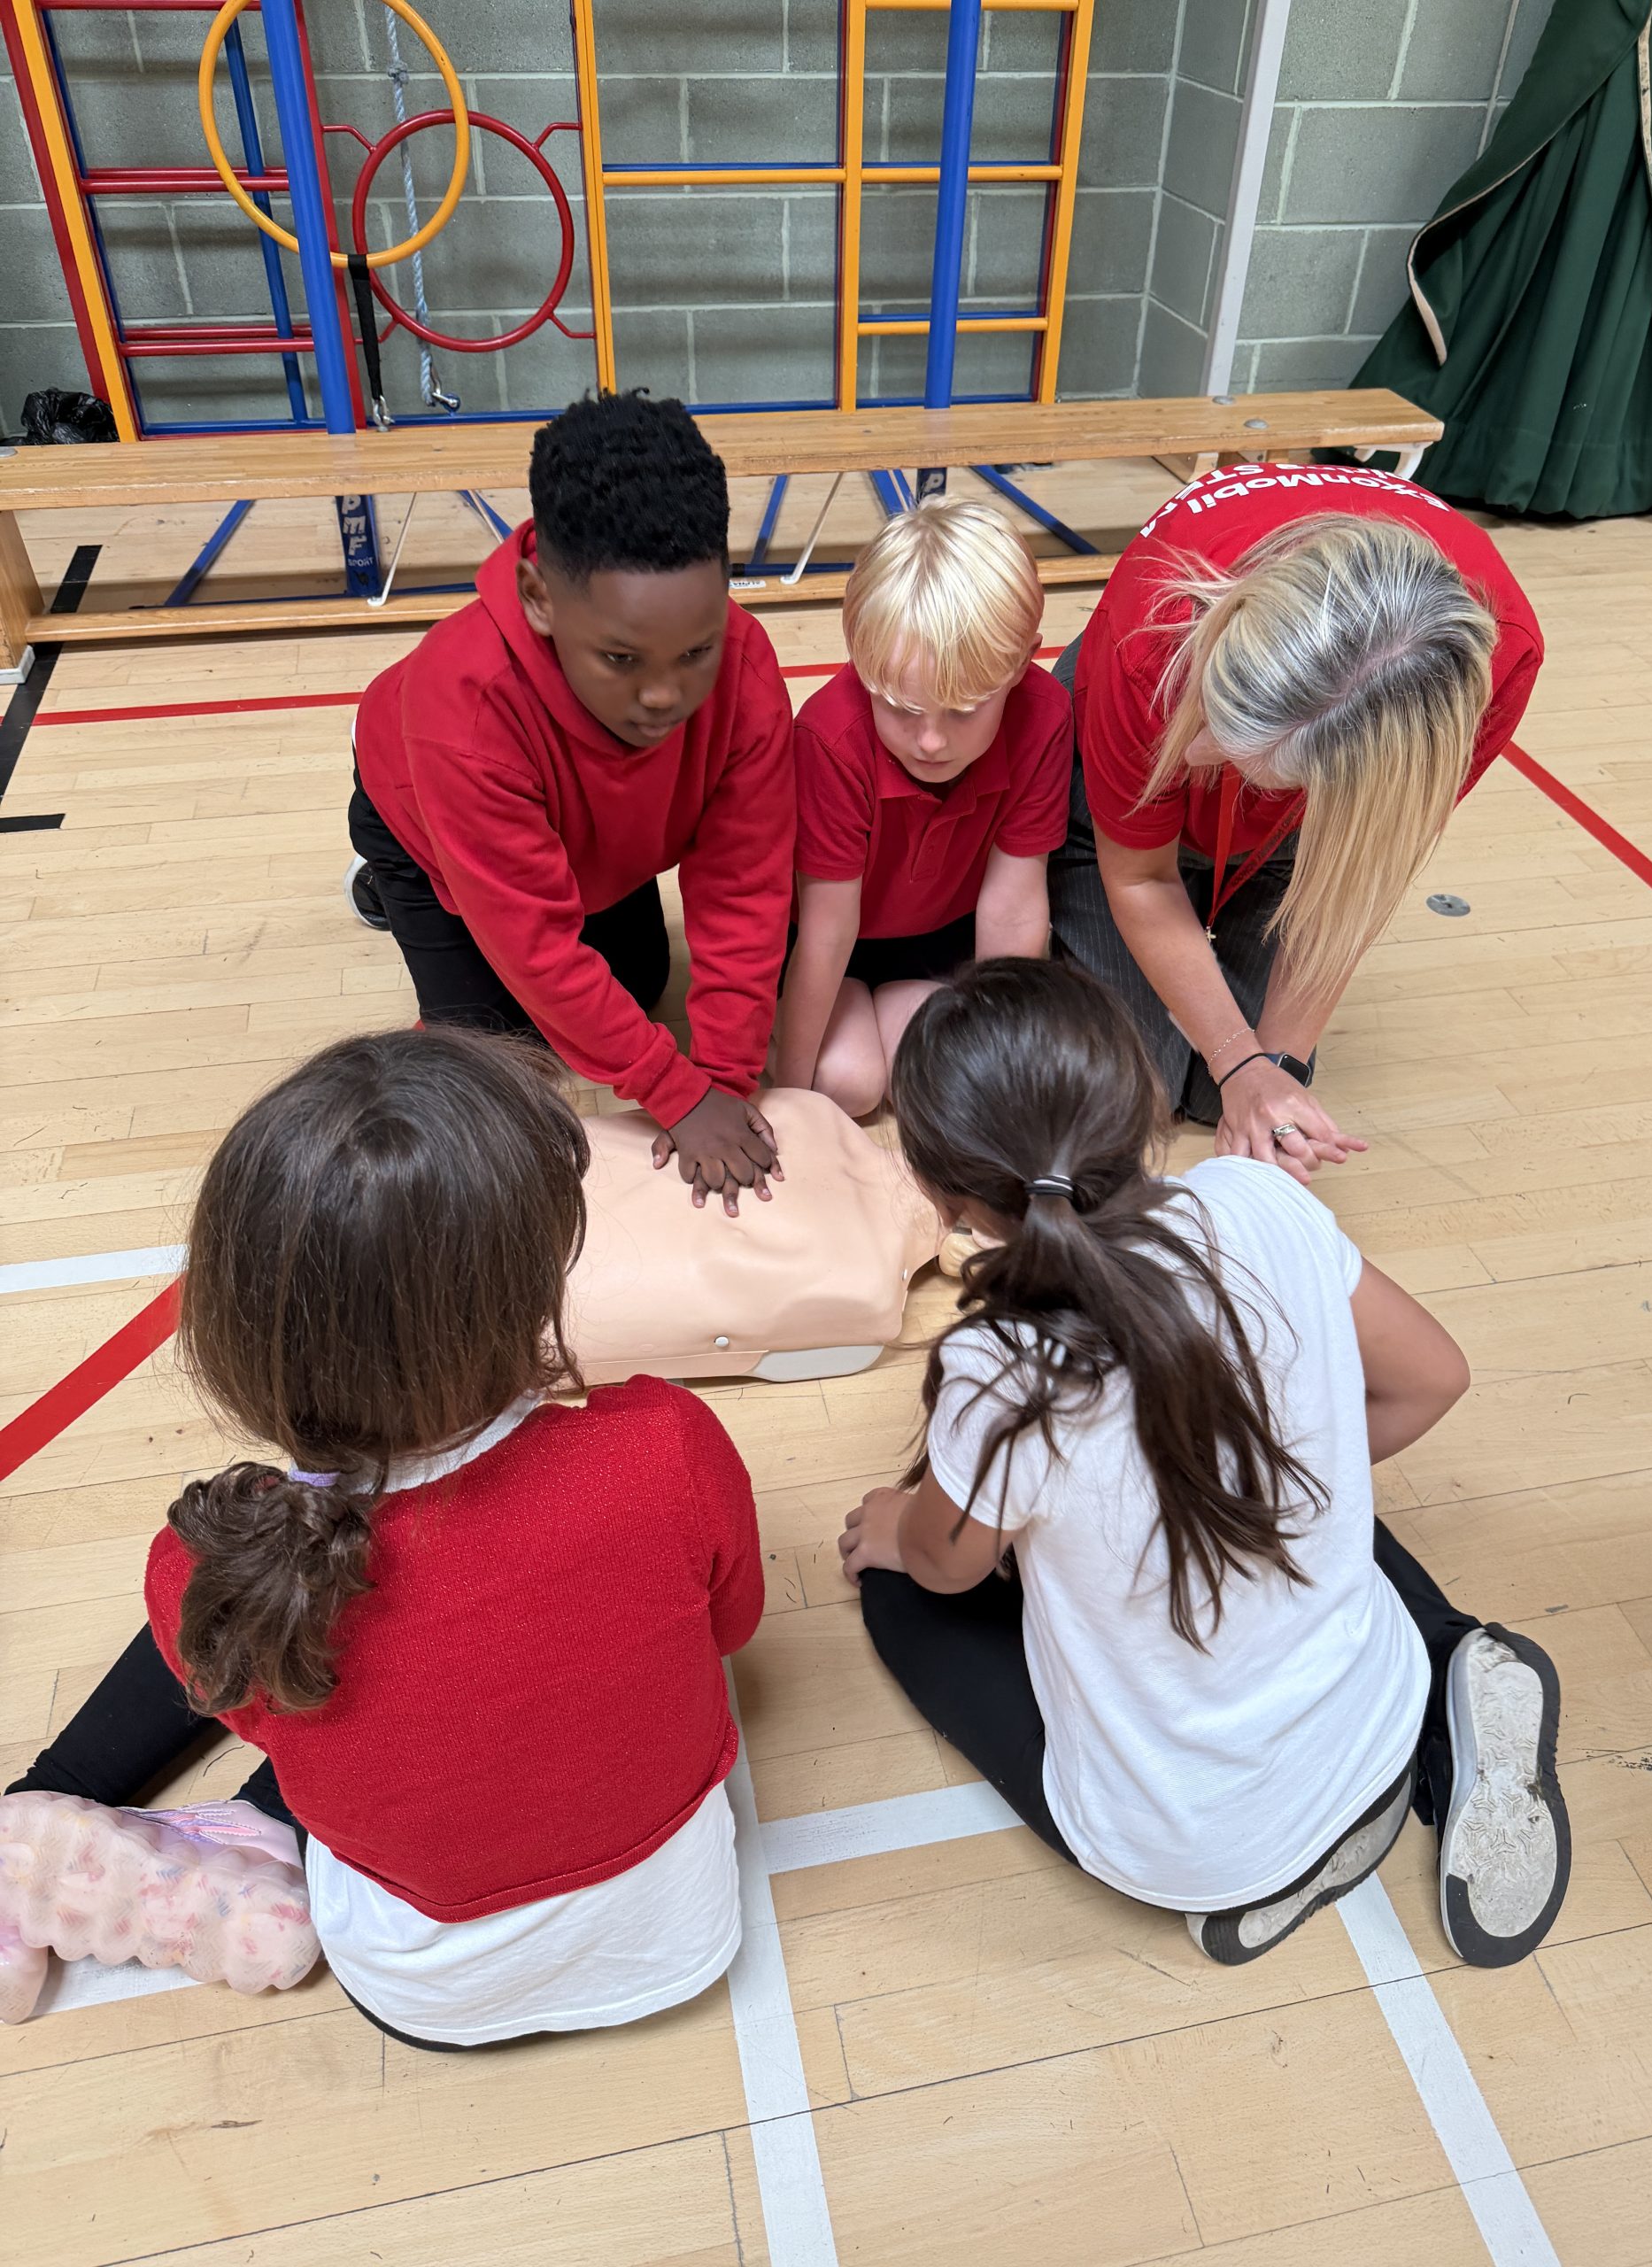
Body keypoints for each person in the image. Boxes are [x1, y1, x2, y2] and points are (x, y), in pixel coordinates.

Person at [3, 1027, 764, 2046]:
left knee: (262, 1620)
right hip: (678, 1940)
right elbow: (732, 1627)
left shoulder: (194, 1564)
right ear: (532, 1285)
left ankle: (55, 1806)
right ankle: (251, 1829)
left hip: (416, 1985)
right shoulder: (666, 1447)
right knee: (412, 1672)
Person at [839, 958, 1570, 1969]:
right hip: (1377, 1715)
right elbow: (1434, 1377)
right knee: (1290, 1455)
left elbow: (948, 1564)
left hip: (1189, 1850)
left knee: (899, 1598)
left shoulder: (999, 1365)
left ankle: (1293, 1861)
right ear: (1141, 1094)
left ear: (945, 1194)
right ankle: (1440, 1696)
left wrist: (895, 1525)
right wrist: (1275, 1458)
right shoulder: (1256, 1201)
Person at [348, 390, 797, 1214]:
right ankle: (401, 889)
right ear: (538, 597)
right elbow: (539, 951)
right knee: (499, 1066)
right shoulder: (466, 704)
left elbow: (745, 888)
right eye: (622, 658)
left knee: (643, 980)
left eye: (695, 651)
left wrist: (725, 1078)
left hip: (596, 843)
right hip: (421, 820)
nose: (665, 696)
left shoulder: (748, 665)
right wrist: (679, 1094)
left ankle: (519, 889)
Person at [1048, 460, 1544, 1183]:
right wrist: (1237, 1058)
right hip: (1130, 753)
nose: (1192, 754)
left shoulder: (1495, 668)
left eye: (1243, 759)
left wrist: (1269, 1070)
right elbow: (1142, 876)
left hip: (1293, 821)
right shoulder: (1153, 627)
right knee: (1138, 1085)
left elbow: (1357, 875)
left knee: (1223, 1094)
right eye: (1215, 717)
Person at [773, 499, 1071, 1114]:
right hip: (833, 942)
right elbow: (828, 931)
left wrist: (1004, 1058)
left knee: (972, 1077)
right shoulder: (830, 736)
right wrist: (791, 1101)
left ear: (1021, 663)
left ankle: (896, 1016)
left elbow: (1014, 903)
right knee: (846, 1085)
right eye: (903, 709)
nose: (931, 742)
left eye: (964, 710)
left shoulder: (1044, 714)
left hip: (943, 939)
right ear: (858, 657)